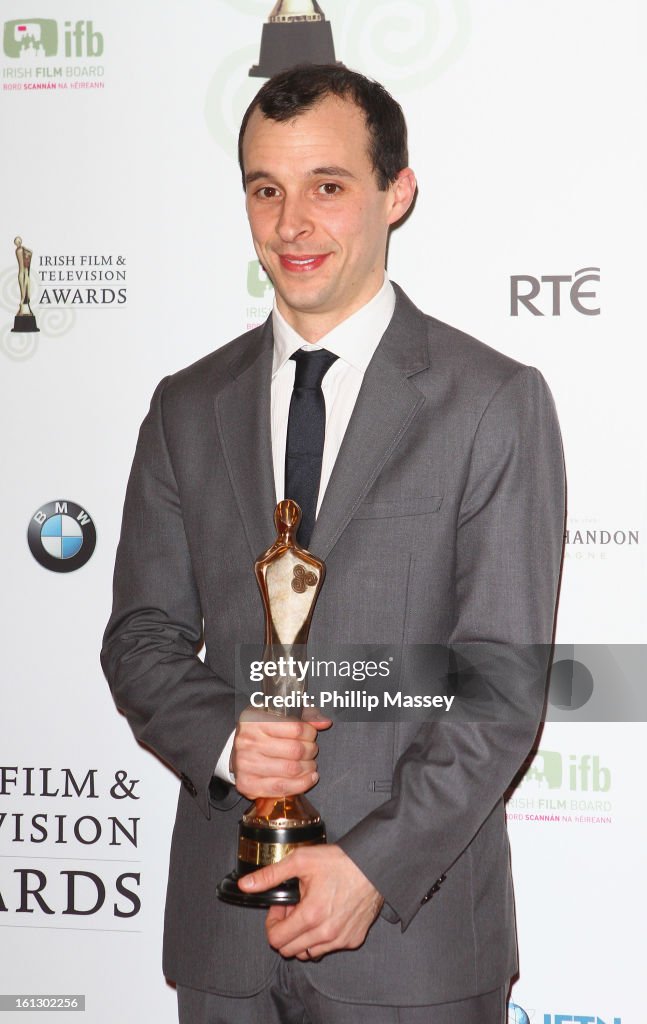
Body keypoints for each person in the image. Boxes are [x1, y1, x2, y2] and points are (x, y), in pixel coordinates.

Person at [102, 64, 565, 1024]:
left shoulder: (490, 403)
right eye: (265, 190)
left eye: (327, 185)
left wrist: (371, 866)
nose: (291, 223)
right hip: (222, 938)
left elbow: (502, 683)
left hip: (412, 938)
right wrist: (228, 742)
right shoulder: (185, 407)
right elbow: (141, 635)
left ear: (396, 193)